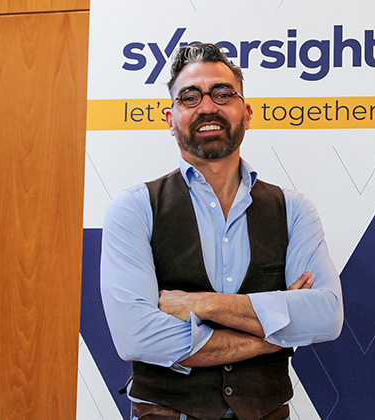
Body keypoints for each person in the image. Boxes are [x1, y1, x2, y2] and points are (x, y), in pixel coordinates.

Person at [100, 43, 343, 420]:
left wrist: (203, 304)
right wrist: (272, 336)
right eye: (190, 97)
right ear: (171, 120)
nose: (207, 107)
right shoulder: (134, 208)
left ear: (247, 114)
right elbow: (136, 336)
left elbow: (326, 315)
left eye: (223, 94)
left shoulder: (293, 210)